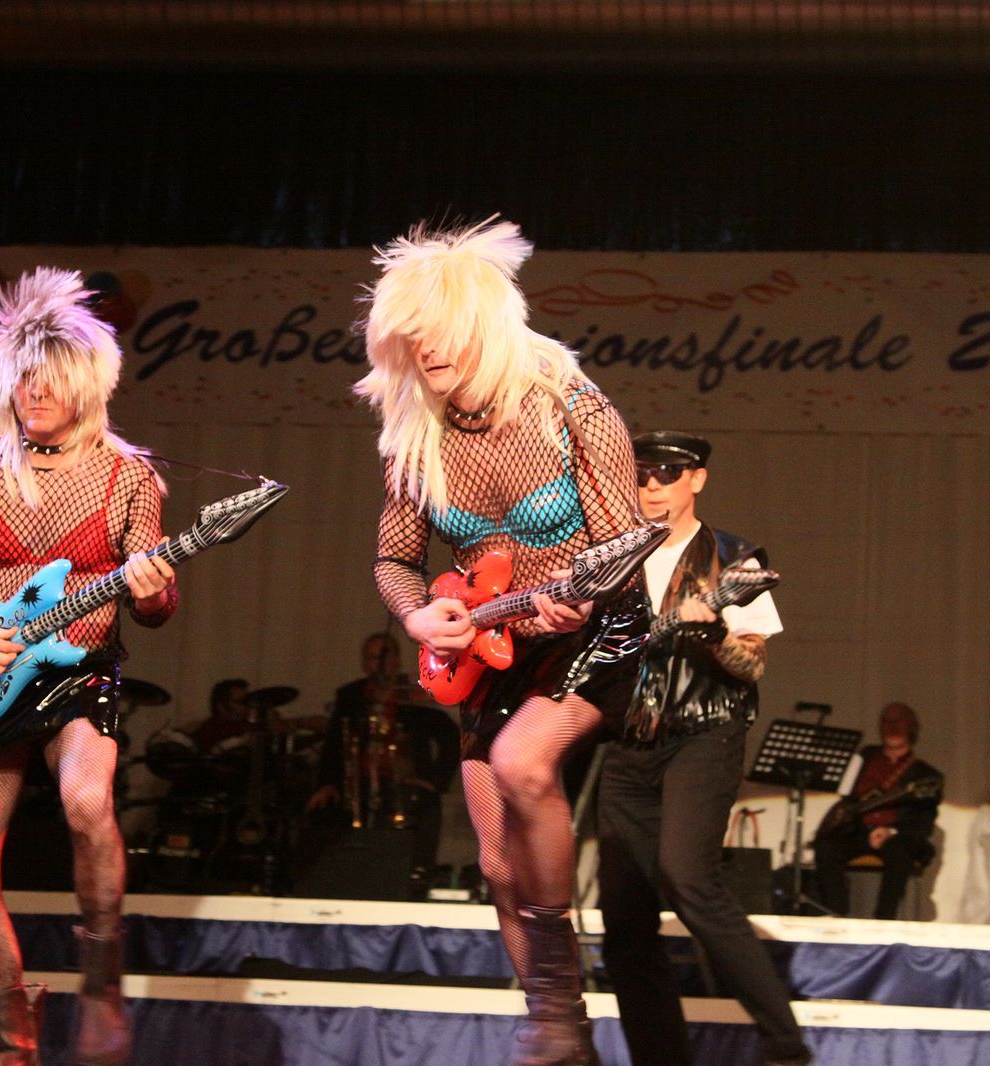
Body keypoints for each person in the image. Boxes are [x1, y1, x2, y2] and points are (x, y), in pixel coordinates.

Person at [357, 218, 647, 1066]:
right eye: (412, 336)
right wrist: (417, 615)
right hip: (492, 648)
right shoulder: (416, 434)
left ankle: (555, 1014)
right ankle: (563, 1033)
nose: (427, 349)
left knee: (522, 763)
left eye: (441, 331)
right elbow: (395, 559)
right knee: (495, 861)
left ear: (484, 324)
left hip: (594, 630)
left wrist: (582, 597)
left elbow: (624, 543)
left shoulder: (571, 406)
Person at [0, 268, 179, 1066]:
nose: (34, 391)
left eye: (49, 377)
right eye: (21, 378)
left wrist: (155, 591)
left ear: (86, 382)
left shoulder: (128, 477)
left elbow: (155, 608)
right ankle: (12, 1031)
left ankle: (103, 976)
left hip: (79, 672)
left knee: (87, 801)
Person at [596, 430, 812, 1066]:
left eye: (667, 474)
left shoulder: (733, 558)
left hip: (706, 732)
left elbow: (754, 665)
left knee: (688, 878)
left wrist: (714, 632)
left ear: (696, 479)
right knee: (624, 918)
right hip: (630, 742)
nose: (652, 486)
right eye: (642, 474)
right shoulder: (615, 557)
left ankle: (785, 1048)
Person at [307, 632, 461, 876]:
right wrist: (327, 783)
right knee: (322, 816)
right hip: (357, 782)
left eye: (385, 656)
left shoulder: (414, 693)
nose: (379, 663)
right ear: (364, 663)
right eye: (372, 658)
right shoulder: (351, 694)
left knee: (421, 816)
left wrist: (433, 780)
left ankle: (415, 877)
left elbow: (450, 736)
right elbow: (335, 741)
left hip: (404, 781)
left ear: (397, 660)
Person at [811, 702, 942, 920]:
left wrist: (890, 831)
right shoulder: (865, 758)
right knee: (826, 846)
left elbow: (923, 824)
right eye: (886, 721)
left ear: (911, 726)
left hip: (897, 836)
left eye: (898, 721)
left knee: (898, 852)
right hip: (859, 831)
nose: (892, 726)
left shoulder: (926, 776)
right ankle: (837, 915)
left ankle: (884, 920)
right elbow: (846, 796)